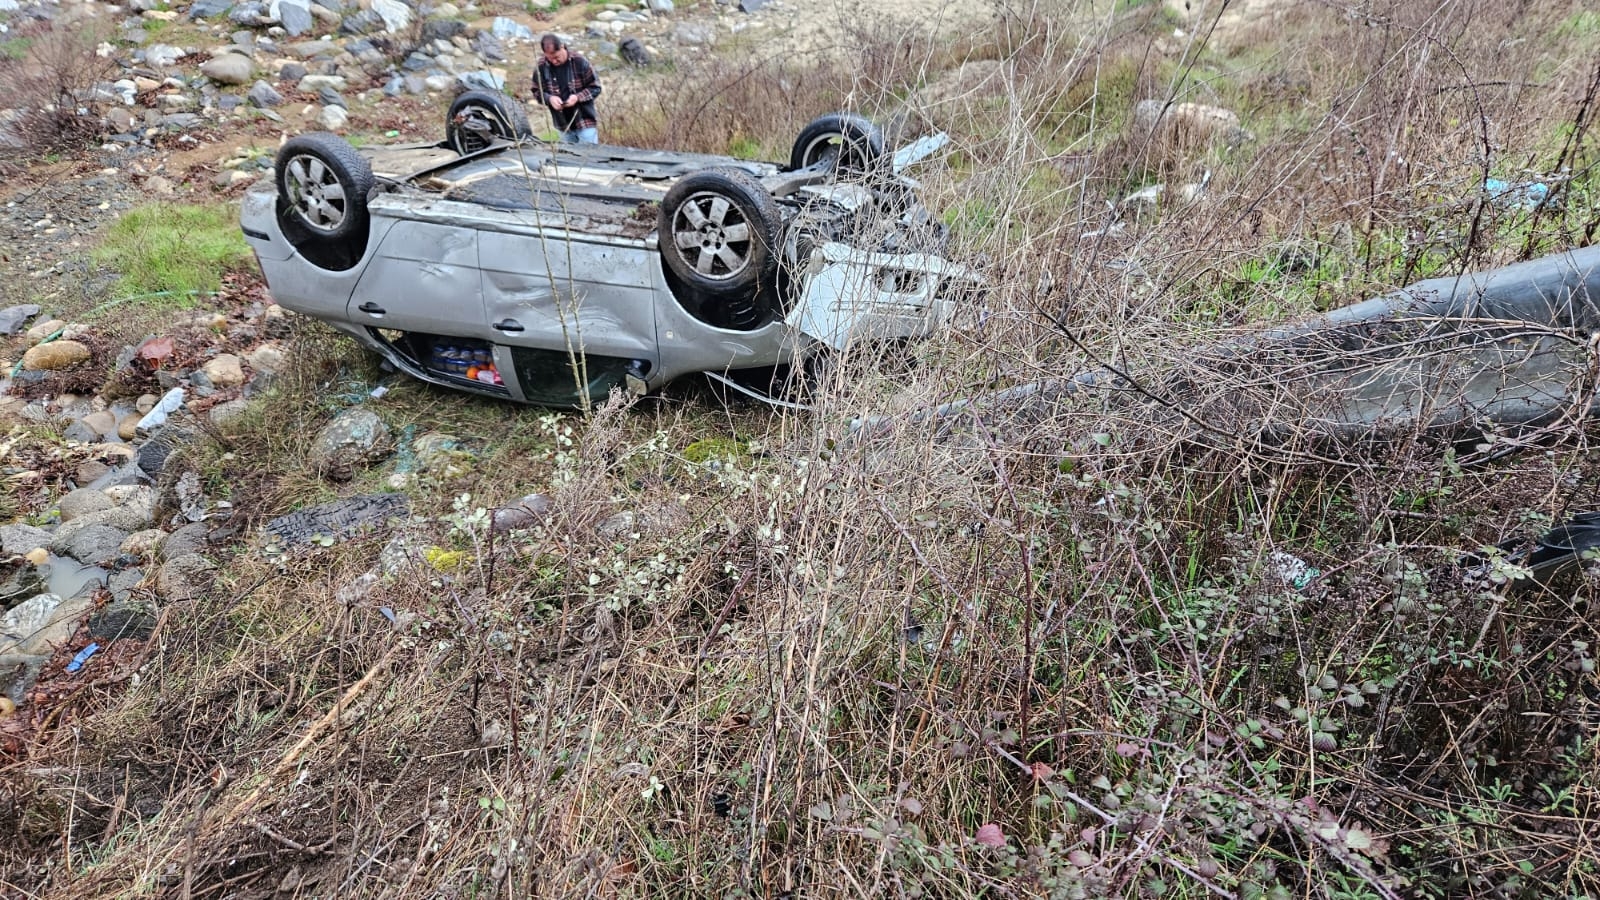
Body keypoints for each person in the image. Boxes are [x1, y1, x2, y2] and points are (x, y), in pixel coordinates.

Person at [534, 34, 602, 144]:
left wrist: (577, 97)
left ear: (562, 47)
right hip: (562, 125)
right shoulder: (542, 66)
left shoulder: (580, 62)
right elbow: (536, 91)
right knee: (569, 159)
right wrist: (549, 99)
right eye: (550, 58)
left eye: (556, 57)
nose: (554, 61)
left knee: (590, 158)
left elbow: (595, 87)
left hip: (584, 121)